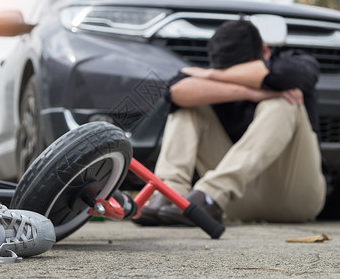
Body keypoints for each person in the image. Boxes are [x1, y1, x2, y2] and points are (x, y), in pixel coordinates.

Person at [133, 19, 326, 226]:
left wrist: (211, 74)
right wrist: (251, 92)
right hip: (233, 200)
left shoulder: (292, 62)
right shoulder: (217, 77)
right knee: (188, 104)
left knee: (285, 101)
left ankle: (209, 194)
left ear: (266, 51)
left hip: (295, 196)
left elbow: (293, 75)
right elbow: (175, 92)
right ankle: (170, 194)